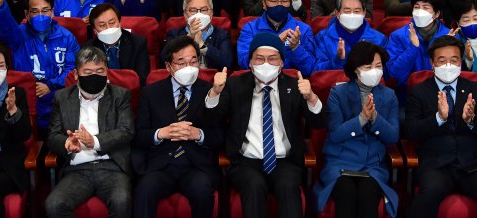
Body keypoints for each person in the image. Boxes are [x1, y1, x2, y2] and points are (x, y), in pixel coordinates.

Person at [205, 32, 323, 218]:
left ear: (282, 63)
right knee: (253, 185)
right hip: (245, 161)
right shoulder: (234, 85)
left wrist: (311, 98)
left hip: (285, 161)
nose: (266, 64)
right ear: (250, 63)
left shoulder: (295, 86)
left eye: (273, 59)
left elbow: (317, 123)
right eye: (259, 59)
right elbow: (211, 120)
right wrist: (214, 93)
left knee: (288, 186)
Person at [406, 35, 477, 218]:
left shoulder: (476, 89)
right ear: (432, 63)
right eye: (442, 61)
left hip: (473, 164)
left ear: (461, 62)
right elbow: (411, 131)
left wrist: (471, 120)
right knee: (428, 195)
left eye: (454, 60)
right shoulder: (419, 92)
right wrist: (438, 118)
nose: (448, 65)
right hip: (436, 164)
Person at [133, 36, 222, 218]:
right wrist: (160, 134)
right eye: (181, 62)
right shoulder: (151, 93)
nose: (188, 67)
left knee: (202, 190)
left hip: (195, 165)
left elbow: (221, 136)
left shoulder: (211, 91)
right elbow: (139, 136)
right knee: (145, 190)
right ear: (168, 67)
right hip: (161, 165)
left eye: (193, 61)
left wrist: (199, 134)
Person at [45, 46, 134, 217]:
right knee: (54, 204)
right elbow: (52, 135)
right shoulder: (62, 97)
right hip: (77, 169)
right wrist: (67, 143)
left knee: (121, 200)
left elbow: (127, 130)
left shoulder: (120, 95)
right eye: (88, 72)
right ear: (76, 75)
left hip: (111, 167)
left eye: (100, 70)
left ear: (107, 71)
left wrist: (95, 142)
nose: (95, 76)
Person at [313, 41, 398, 218]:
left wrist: (374, 118)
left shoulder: (389, 96)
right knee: (346, 192)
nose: (375, 71)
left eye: (379, 66)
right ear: (355, 69)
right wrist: (361, 120)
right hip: (340, 161)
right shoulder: (338, 93)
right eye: (368, 66)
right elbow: (335, 134)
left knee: (368, 193)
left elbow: (393, 137)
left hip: (373, 164)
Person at [0, 0, 79, 133]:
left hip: (60, 99)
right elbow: (6, 28)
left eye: (45, 11)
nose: (41, 15)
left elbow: (73, 69)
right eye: (35, 11)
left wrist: (50, 85)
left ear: (52, 12)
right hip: (29, 98)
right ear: (27, 14)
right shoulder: (18, 35)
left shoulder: (67, 37)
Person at [0, 42, 31, 218]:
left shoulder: (17, 94)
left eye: (1, 66)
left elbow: (25, 135)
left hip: (7, 167)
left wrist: (13, 111)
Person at [238, 0, 315, 76]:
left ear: (290, 2)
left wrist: (296, 48)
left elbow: (309, 69)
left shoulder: (303, 30)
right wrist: (274, 43)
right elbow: (244, 63)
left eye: (284, 1)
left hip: (292, 85)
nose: (280, 5)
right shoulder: (250, 29)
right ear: (264, 4)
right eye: (274, 1)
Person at [386, 0, 452, 90]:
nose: (420, 12)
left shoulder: (449, 36)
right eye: (417, 7)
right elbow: (394, 74)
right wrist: (412, 48)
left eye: (426, 8)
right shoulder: (398, 36)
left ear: (437, 14)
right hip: (408, 94)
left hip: (441, 92)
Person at [314, 0, 386, 71]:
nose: (352, 15)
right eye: (347, 11)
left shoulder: (379, 39)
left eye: (357, 11)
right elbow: (317, 70)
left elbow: (385, 71)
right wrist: (338, 60)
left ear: (364, 13)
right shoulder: (322, 38)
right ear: (337, 13)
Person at [85, 3, 150, 86]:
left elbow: (142, 78)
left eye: (112, 23)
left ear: (119, 23)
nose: (109, 28)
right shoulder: (88, 48)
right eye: (102, 25)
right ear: (94, 30)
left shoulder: (138, 43)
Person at [165, 0, 232, 70]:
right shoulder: (174, 34)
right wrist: (188, 39)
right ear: (185, 15)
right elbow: (164, 60)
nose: (198, 14)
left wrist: (201, 44)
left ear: (211, 14)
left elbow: (227, 63)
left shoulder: (222, 35)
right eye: (193, 10)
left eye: (204, 10)